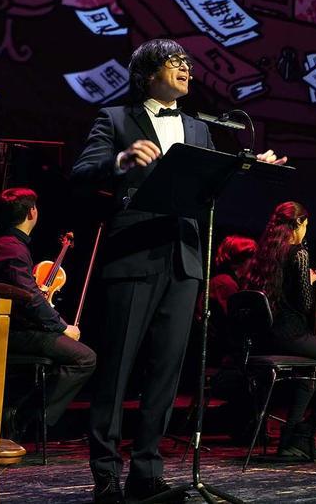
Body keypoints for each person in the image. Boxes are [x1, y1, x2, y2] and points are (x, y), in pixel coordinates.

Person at [71, 39, 286, 504]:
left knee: (166, 374)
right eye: (175, 62)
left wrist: (250, 165)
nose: (186, 68)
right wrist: (120, 161)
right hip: (133, 256)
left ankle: (147, 472)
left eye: (187, 62)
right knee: (117, 371)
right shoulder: (115, 119)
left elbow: (210, 181)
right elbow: (82, 171)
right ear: (148, 74)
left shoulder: (197, 128)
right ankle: (106, 475)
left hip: (185, 260)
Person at [0, 188, 97, 442]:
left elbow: (23, 293)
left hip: (1, 327)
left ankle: (20, 410)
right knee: (85, 358)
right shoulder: (12, 248)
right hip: (9, 332)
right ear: (31, 212)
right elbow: (31, 300)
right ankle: (24, 416)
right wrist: (63, 327)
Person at [245, 201, 316, 459]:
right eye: (306, 225)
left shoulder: (264, 253)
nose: (306, 231)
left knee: (310, 372)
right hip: (290, 334)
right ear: (298, 224)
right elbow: (304, 305)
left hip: (264, 338)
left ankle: (291, 442)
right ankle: (305, 433)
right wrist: (308, 280)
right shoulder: (298, 253)